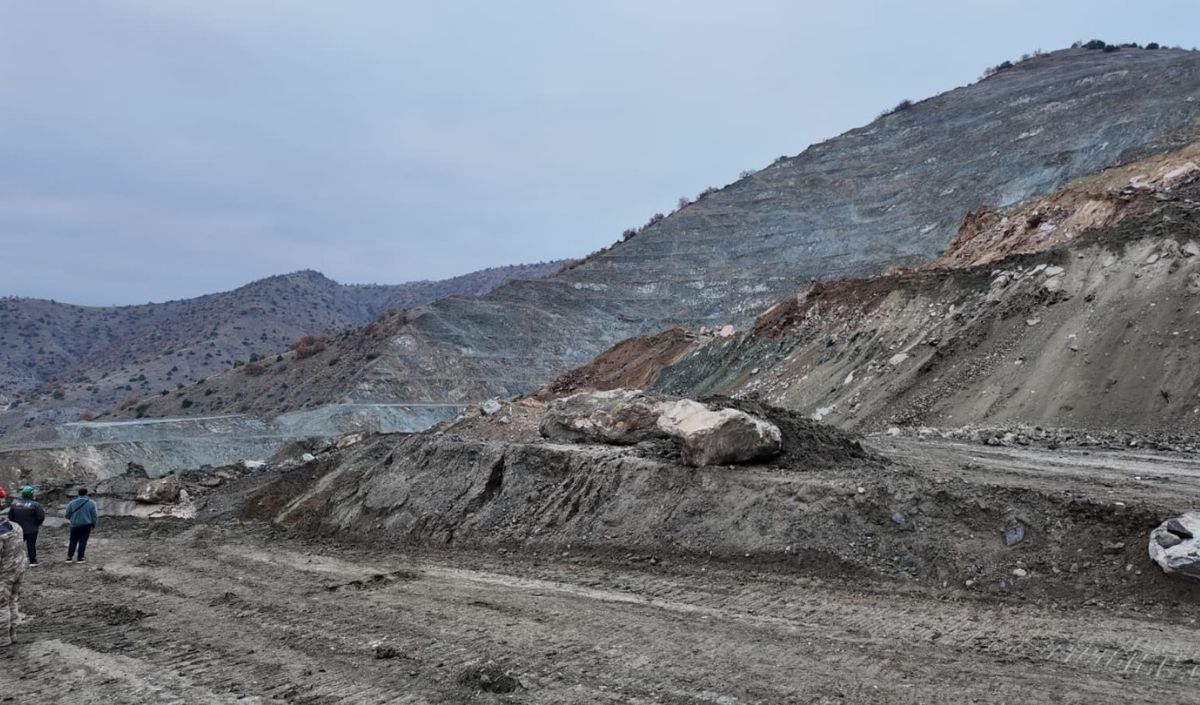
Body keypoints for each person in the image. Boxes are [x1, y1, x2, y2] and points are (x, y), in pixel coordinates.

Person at [0, 518, 25, 647]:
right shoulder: (16, 526)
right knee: (11, 601)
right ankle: (12, 633)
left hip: (4, 575)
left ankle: (3, 638)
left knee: (1, 606)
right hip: (17, 570)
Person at [7, 487, 44, 566]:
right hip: (31, 529)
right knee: (31, 545)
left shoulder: (14, 504)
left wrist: (15, 525)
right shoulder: (36, 505)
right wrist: (36, 524)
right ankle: (33, 561)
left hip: (18, 529)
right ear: (31, 494)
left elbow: (10, 517)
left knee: (17, 545)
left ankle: (15, 561)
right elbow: (41, 517)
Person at [64, 487, 98, 563]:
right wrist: (93, 524)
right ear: (86, 493)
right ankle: (80, 558)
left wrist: (73, 519)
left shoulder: (71, 503)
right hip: (86, 525)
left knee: (73, 541)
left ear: (78, 493)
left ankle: (69, 557)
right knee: (83, 541)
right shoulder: (91, 503)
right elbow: (94, 515)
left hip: (74, 525)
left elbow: (67, 515)